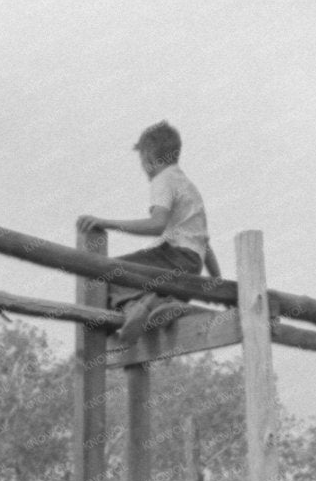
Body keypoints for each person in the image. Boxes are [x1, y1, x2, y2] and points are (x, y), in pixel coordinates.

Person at [77, 121, 219, 347]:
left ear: (149, 159)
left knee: (105, 272)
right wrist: (216, 283)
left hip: (173, 256)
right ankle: (160, 303)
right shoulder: (189, 187)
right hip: (192, 265)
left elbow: (157, 224)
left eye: (142, 161)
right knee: (130, 273)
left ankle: (138, 307)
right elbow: (205, 244)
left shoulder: (163, 180)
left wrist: (107, 223)